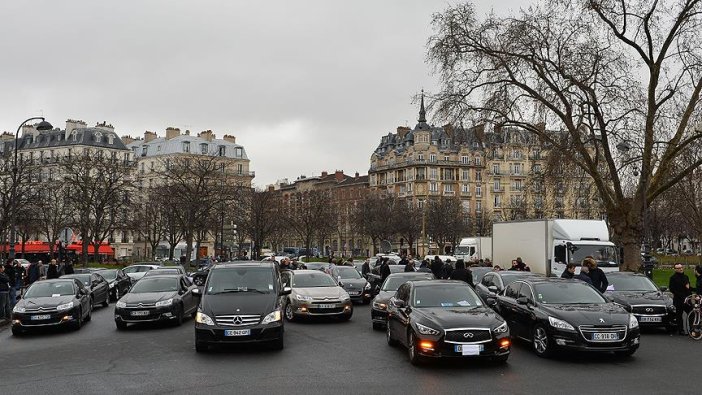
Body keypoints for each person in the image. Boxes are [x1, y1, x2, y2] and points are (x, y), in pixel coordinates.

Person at [669, 263, 692, 335]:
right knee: (679, 316)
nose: (681, 269)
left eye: (681, 267)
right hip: (678, 300)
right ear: (675, 269)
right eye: (678, 268)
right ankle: (681, 330)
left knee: (691, 314)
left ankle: (692, 329)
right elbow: (672, 289)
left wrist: (691, 295)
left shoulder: (686, 277)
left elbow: (688, 288)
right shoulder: (673, 278)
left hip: (687, 300)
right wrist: (681, 296)